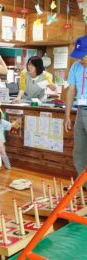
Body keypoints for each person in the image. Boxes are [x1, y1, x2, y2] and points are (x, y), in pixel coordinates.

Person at [64, 35, 87, 187]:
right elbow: (71, 90)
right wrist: (67, 115)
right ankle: (84, 186)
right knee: (79, 150)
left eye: (82, 56)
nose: (80, 60)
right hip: (80, 111)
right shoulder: (75, 67)